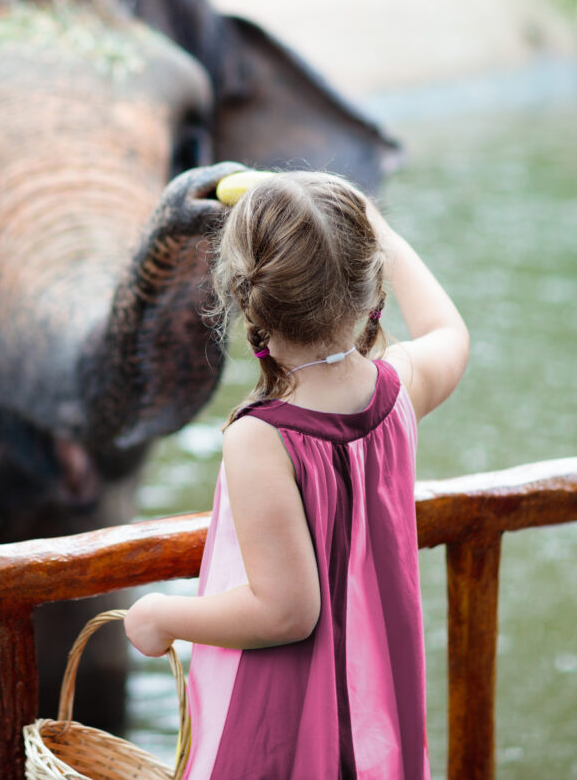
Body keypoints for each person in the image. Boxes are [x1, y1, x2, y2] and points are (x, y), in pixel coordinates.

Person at [124, 170, 469, 779]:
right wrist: (375, 222)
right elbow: (449, 331)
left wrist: (160, 616)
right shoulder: (398, 388)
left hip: (282, 730)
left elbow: (286, 611)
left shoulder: (260, 436)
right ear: (371, 283)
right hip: (372, 707)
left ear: (243, 296)